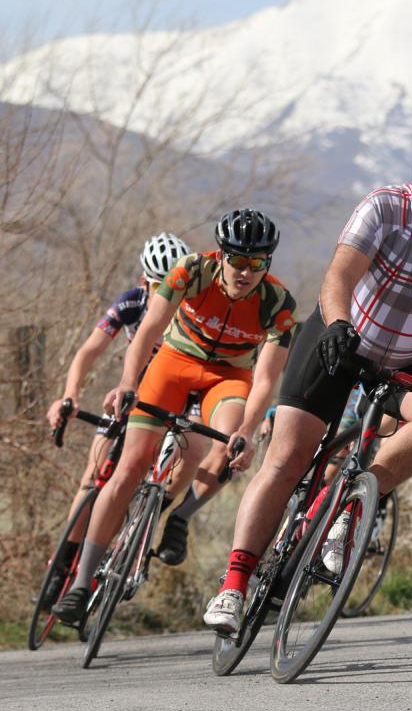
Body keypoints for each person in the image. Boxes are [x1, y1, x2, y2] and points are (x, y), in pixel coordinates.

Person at [204, 133, 412, 633]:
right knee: (286, 459)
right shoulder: (384, 209)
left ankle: (351, 506)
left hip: (407, 359)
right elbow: (339, 277)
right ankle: (233, 586)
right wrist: (341, 324)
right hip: (338, 337)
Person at [52, 210, 296, 626]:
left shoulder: (278, 304)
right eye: (237, 260)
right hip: (173, 364)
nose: (244, 271)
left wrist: (247, 431)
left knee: (228, 443)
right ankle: (80, 584)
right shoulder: (190, 271)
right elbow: (149, 330)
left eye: (256, 263)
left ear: (267, 263)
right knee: (128, 469)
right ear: (221, 255)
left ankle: (179, 517)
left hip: (228, 376)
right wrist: (129, 381)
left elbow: (266, 379)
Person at [44, 232, 202, 601]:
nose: (169, 294)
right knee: (93, 473)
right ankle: (63, 562)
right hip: (136, 394)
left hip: (181, 397)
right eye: (159, 285)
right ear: (145, 281)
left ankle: (151, 515)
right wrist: (70, 394)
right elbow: (88, 351)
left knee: (187, 453)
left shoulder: (194, 309)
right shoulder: (132, 301)